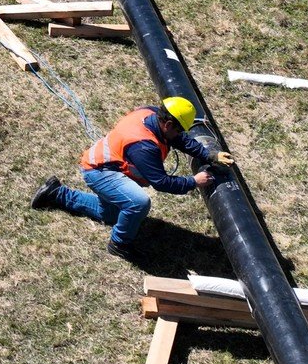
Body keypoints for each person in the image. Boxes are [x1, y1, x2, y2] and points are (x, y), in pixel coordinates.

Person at [31, 97, 235, 263]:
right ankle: (119, 244)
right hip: (100, 171)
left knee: (114, 214)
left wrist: (209, 155)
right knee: (138, 203)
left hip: (107, 164)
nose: (181, 135)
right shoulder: (144, 146)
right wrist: (194, 181)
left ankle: (56, 193)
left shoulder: (153, 114)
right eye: (179, 129)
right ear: (169, 123)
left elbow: (178, 139)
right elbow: (162, 183)